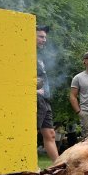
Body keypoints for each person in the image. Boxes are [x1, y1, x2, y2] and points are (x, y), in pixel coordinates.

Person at [36, 25, 59, 161]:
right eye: (41, 37)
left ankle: (58, 167)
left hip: (45, 99)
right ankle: (26, 165)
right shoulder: (25, 53)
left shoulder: (39, 56)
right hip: (35, 99)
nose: (44, 40)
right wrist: (32, 89)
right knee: (31, 133)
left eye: (45, 37)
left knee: (50, 134)